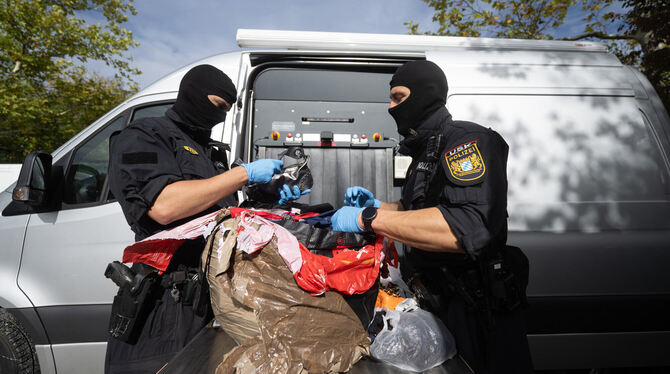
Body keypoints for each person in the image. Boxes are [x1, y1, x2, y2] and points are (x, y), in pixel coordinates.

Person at [331, 60, 533, 374]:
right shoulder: (427, 150)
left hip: (475, 312)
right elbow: (419, 214)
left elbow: (470, 227)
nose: (390, 107)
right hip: (437, 303)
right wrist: (380, 206)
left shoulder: (466, 141)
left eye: (398, 97)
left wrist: (369, 218)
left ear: (425, 94)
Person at [105, 64, 307, 373]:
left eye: (227, 110)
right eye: (217, 106)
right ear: (193, 94)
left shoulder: (210, 153)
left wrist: (265, 196)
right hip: (164, 305)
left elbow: (216, 213)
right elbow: (164, 206)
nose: (221, 116)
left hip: (209, 300)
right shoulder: (144, 135)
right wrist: (243, 173)